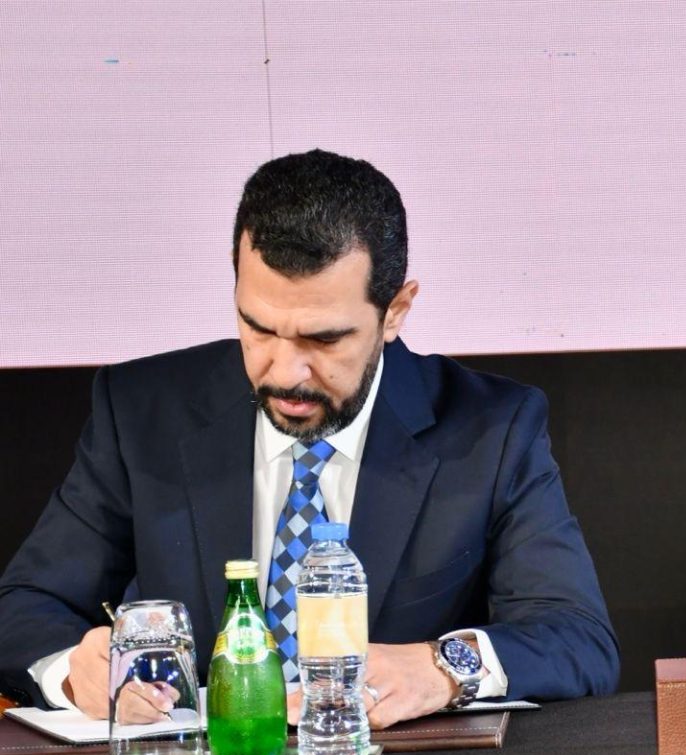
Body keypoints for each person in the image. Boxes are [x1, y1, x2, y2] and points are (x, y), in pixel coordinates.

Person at [0, 149, 619, 723]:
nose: (285, 372)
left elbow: (577, 638)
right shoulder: (143, 412)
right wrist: (72, 672)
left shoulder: (491, 431)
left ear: (395, 311)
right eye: (259, 328)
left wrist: (442, 667)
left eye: (323, 339)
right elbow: (22, 605)